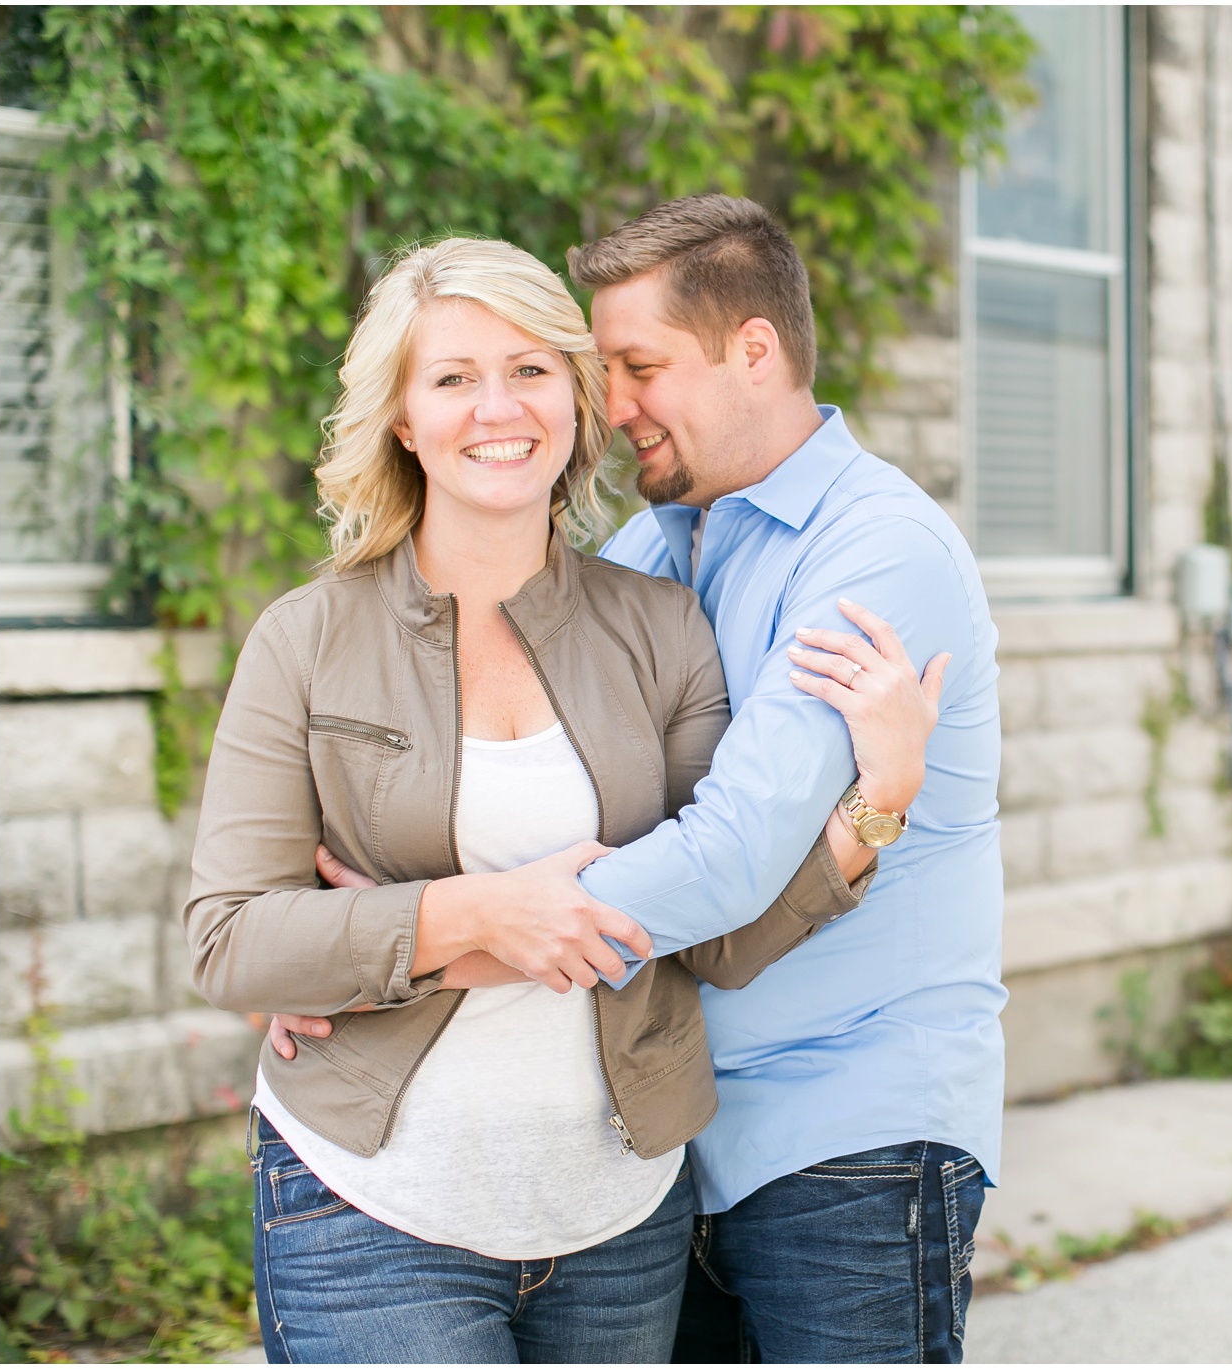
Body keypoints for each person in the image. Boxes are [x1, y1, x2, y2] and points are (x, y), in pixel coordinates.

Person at [184, 236, 945, 1364]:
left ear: (576, 402)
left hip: (617, 1220)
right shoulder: (306, 639)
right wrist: (473, 921)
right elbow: (230, 939)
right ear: (402, 418)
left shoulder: (658, 625)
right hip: (373, 1210)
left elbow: (720, 936)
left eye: (532, 368)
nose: (499, 407)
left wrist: (880, 795)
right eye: (452, 378)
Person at [570, 194, 1006, 1363]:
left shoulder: (876, 551)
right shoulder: (655, 547)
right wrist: (345, 925)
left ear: (752, 350)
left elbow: (727, 858)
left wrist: (452, 928)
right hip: (682, 1138)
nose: (613, 408)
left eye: (639, 366)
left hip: (851, 1131)